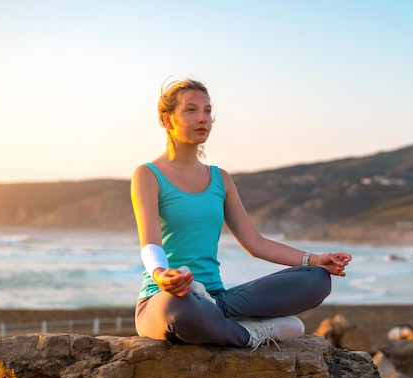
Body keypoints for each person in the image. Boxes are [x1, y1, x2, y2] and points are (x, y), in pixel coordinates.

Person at [131, 78, 352, 350]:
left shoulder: (219, 178)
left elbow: (255, 243)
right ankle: (249, 335)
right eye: (191, 110)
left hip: (217, 299)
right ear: (168, 120)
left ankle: (216, 317)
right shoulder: (148, 175)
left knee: (316, 279)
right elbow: (151, 243)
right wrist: (161, 274)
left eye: (208, 110)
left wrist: (315, 259)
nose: (203, 118)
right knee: (180, 309)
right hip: (163, 299)